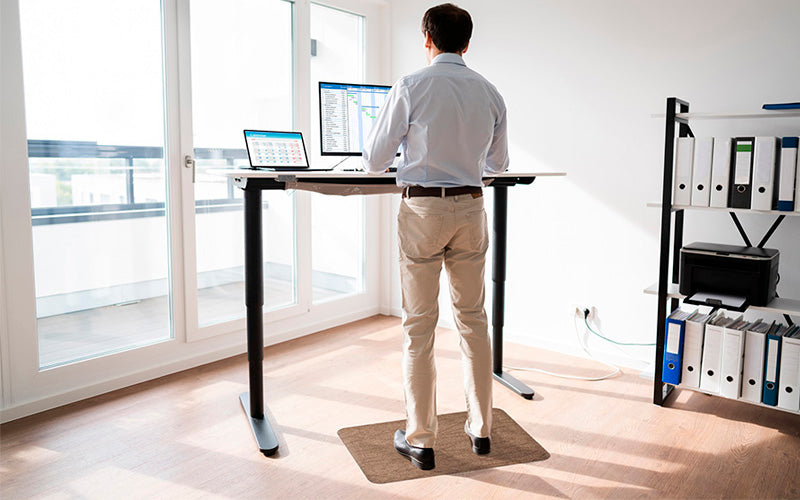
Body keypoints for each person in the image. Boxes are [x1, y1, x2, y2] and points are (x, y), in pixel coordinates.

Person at [362, 3, 509, 471]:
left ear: (427, 37)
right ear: (467, 43)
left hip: (423, 209)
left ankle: (421, 439)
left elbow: (373, 160)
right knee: (472, 319)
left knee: (419, 326)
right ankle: (481, 430)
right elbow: (498, 167)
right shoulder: (490, 93)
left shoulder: (410, 85)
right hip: (470, 208)